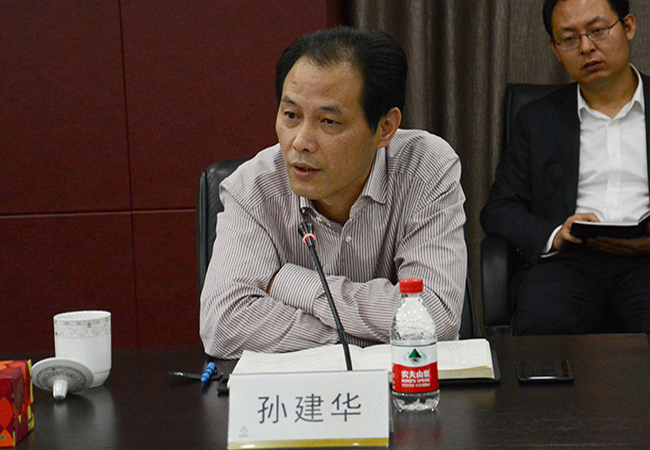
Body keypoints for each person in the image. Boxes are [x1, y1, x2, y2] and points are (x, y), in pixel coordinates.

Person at [200, 26, 467, 359]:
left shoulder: (425, 168)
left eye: (328, 121)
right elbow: (224, 325)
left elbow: (435, 317)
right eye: (291, 116)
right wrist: (367, 342)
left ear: (385, 128)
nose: (300, 142)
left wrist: (294, 283)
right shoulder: (252, 187)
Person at [481, 0, 650, 335]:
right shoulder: (536, 119)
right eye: (570, 39)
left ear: (628, 27)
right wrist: (555, 234)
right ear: (555, 50)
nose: (586, 48)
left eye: (598, 31)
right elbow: (499, 208)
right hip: (569, 263)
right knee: (543, 323)